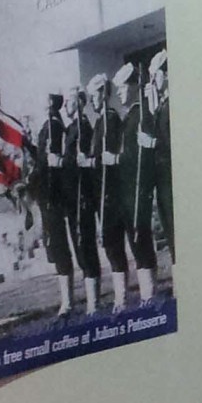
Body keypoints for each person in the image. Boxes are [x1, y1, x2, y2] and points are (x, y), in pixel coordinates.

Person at [114, 62, 159, 303]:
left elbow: (145, 152)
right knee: (134, 238)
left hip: (138, 188)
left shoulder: (143, 113)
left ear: (133, 87)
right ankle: (145, 293)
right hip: (127, 189)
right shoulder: (128, 116)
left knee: (141, 238)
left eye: (122, 88)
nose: (120, 93)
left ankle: (149, 293)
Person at [87, 73, 132, 311]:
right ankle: (119, 298)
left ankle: (122, 300)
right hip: (100, 193)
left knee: (114, 244)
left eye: (95, 94)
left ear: (103, 94)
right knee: (109, 245)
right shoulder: (99, 123)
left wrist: (108, 160)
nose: (92, 100)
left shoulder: (112, 119)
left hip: (112, 193)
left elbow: (119, 156)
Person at [31, 93, 76, 316]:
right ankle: (65, 300)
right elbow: (42, 159)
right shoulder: (48, 126)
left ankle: (68, 302)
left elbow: (53, 161)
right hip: (46, 194)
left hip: (54, 194)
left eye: (47, 102)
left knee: (58, 245)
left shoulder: (54, 126)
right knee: (54, 245)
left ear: (52, 106)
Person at [63, 86, 102, 313]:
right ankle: (90, 301)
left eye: (69, 101)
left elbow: (85, 163)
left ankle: (93, 303)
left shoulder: (83, 128)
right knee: (79, 248)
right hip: (71, 196)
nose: (66, 106)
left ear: (78, 103)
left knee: (86, 246)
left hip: (82, 196)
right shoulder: (70, 130)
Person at [145, 50, 175, 265]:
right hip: (163, 180)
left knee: (176, 229)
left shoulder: (173, 104)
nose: (153, 82)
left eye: (156, 76)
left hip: (173, 178)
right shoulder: (161, 106)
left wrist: (154, 143)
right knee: (170, 230)